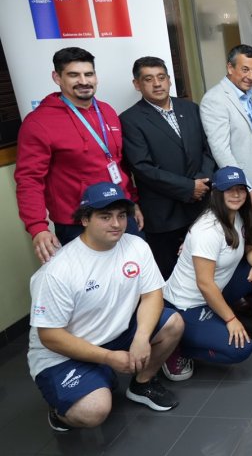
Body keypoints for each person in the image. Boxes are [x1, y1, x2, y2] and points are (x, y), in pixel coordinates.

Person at [28, 182, 183, 431]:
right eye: (105, 216)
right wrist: (108, 358)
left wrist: (142, 338)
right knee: (93, 411)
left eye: (121, 216)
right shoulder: (58, 271)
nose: (116, 224)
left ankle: (142, 384)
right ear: (85, 219)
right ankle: (60, 412)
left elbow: (153, 294)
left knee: (173, 323)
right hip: (64, 353)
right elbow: (50, 336)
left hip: (113, 333)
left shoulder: (136, 245)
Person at [163, 166, 252, 381]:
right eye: (229, 190)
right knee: (241, 349)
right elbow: (204, 284)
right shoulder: (207, 230)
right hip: (188, 304)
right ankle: (174, 349)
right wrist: (231, 319)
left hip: (218, 291)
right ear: (217, 193)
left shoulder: (240, 215)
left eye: (241, 189)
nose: (236, 195)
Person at [16, 47, 143, 263]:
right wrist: (38, 227)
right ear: (57, 77)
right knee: (96, 291)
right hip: (78, 224)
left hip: (121, 215)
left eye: (89, 74)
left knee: (138, 274)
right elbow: (29, 180)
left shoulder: (107, 112)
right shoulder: (38, 122)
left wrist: (132, 203)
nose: (84, 81)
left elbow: (118, 164)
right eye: (74, 75)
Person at [120, 56, 216, 279]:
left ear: (169, 80)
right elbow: (142, 167)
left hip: (200, 205)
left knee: (207, 266)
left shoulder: (190, 108)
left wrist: (202, 182)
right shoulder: (130, 119)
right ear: (137, 84)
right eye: (148, 79)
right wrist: (187, 187)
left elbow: (207, 150)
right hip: (164, 213)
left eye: (161, 77)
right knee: (172, 273)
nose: (157, 84)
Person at [200, 44, 252, 215]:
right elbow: (220, 150)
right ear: (230, 67)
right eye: (245, 69)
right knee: (246, 235)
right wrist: (245, 187)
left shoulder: (251, 96)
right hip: (239, 185)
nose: (251, 76)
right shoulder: (215, 99)